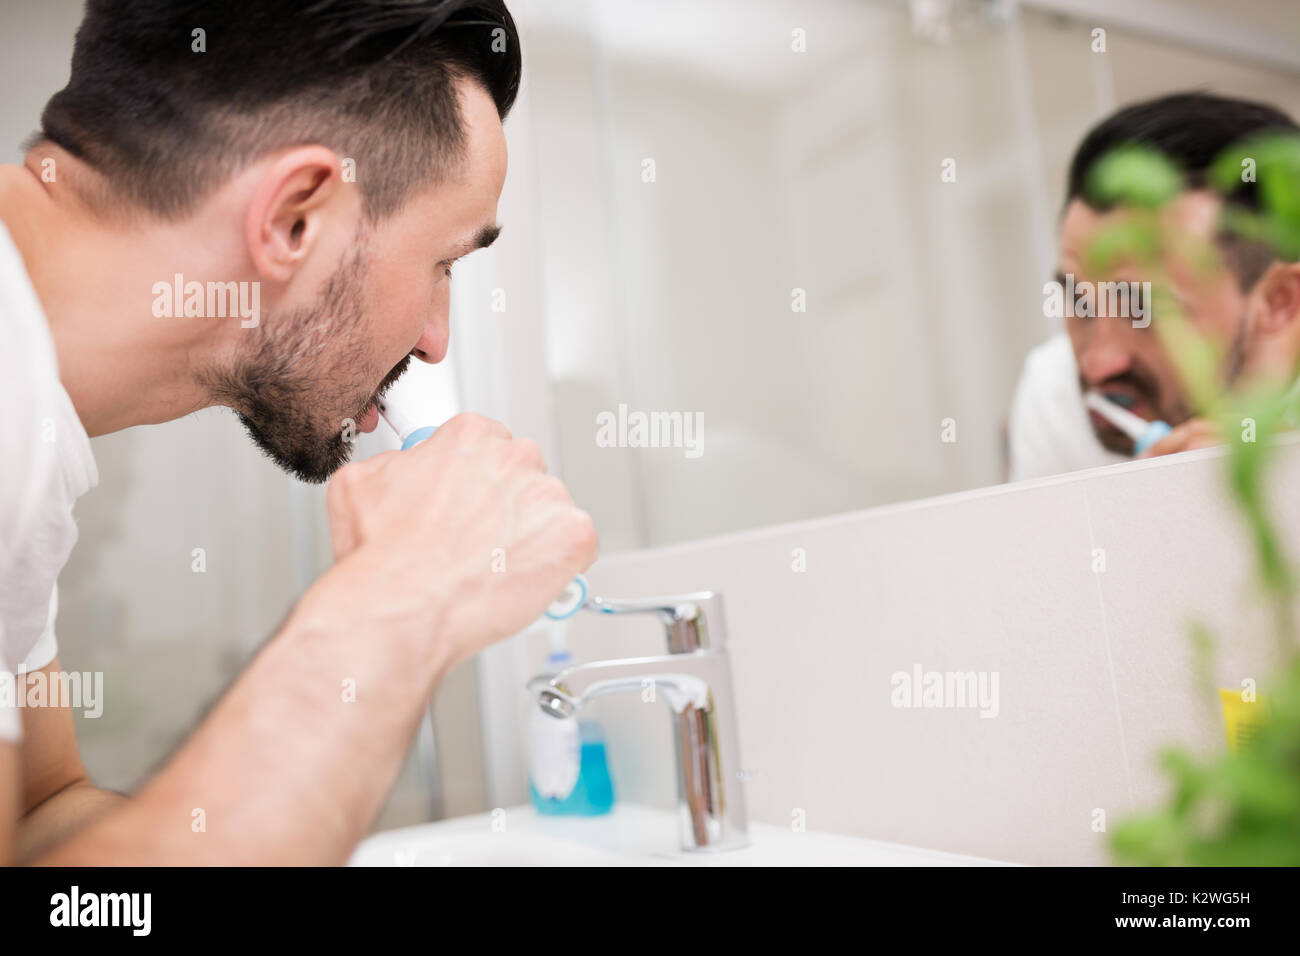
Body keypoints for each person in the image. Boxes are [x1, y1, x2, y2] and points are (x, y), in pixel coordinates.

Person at [0, 0, 597, 864]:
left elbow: (41, 815)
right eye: (443, 263)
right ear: (294, 220)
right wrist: (401, 598)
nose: (438, 340)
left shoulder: (29, 427)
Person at [1007, 92, 1300, 482]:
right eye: (1079, 302)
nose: (1098, 363)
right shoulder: (1053, 392)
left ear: (1281, 303)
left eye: (1141, 309)